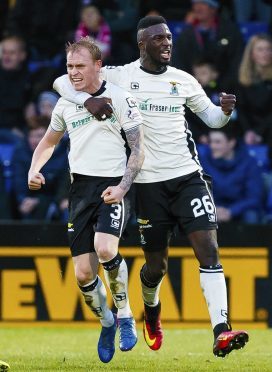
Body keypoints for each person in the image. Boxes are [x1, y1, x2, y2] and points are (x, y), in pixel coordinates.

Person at [53, 16, 249, 357]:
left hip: (188, 177)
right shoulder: (121, 75)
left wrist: (226, 112)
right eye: (159, 39)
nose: (167, 43)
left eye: (169, 37)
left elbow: (213, 119)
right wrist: (87, 101)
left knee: (209, 250)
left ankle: (221, 330)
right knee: (156, 266)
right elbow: (62, 82)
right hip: (146, 185)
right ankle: (152, 309)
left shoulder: (183, 81)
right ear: (143, 44)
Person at [28, 38, 144, 363]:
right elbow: (48, 142)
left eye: (80, 66)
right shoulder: (66, 104)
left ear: (98, 66)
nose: (74, 73)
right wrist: (34, 169)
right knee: (82, 274)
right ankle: (106, 322)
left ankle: (124, 315)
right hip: (79, 189)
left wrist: (123, 186)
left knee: (106, 248)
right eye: (70, 67)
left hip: (113, 184)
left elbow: (138, 149)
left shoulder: (121, 99)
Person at [173, 0, 244, 92]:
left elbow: (236, 63)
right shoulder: (186, 34)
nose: (197, 8)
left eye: (203, 4)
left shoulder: (230, 31)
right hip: (192, 92)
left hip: (225, 91)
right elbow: (179, 63)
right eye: (195, 4)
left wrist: (219, 87)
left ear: (214, 9)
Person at [201, 128, 263, 223]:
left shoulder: (249, 163)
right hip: (212, 209)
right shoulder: (204, 162)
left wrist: (231, 211)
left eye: (217, 142)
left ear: (231, 143)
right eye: (211, 142)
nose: (212, 146)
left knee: (251, 214)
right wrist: (213, 209)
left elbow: (253, 198)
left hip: (240, 210)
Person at [12, 121, 69, 220]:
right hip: (29, 203)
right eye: (31, 136)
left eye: (39, 136)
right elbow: (19, 182)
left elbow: (63, 187)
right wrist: (23, 199)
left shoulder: (65, 155)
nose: (34, 140)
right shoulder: (22, 153)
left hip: (56, 201)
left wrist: (40, 201)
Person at [237, 34, 272, 146]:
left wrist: (258, 132)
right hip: (246, 129)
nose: (265, 53)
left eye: (269, 49)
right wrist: (248, 131)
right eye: (260, 49)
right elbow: (241, 108)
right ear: (251, 54)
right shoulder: (241, 78)